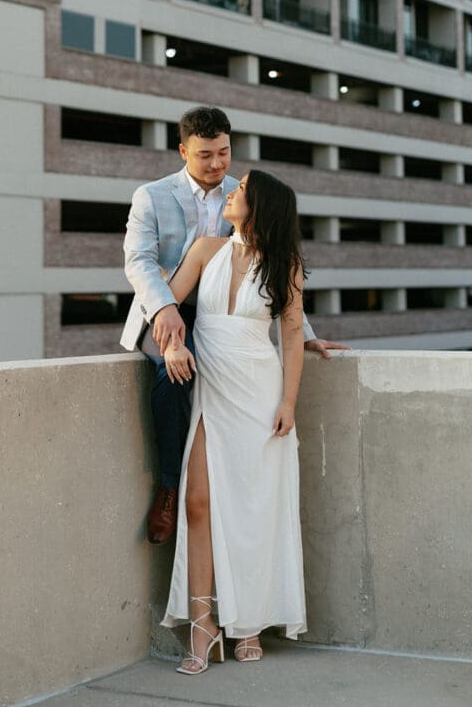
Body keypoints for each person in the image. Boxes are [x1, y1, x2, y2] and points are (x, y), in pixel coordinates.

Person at [120, 106, 346, 545]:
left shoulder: (243, 194)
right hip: (168, 305)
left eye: (224, 153)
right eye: (205, 155)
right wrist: (165, 309)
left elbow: (272, 270)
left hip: (225, 314)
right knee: (172, 377)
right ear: (184, 150)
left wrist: (307, 335)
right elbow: (139, 262)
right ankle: (169, 486)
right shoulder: (151, 196)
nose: (218, 164)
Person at [160, 170, 308, 672]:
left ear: (260, 205)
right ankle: (203, 627)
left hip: (261, 397)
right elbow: (169, 304)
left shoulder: (284, 266)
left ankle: (249, 623)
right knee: (197, 502)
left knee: (257, 511)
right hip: (211, 391)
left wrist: (288, 402)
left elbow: (290, 337)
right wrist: (174, 342)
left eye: (241, 189)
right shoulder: (205, 249)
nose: (232, 193)